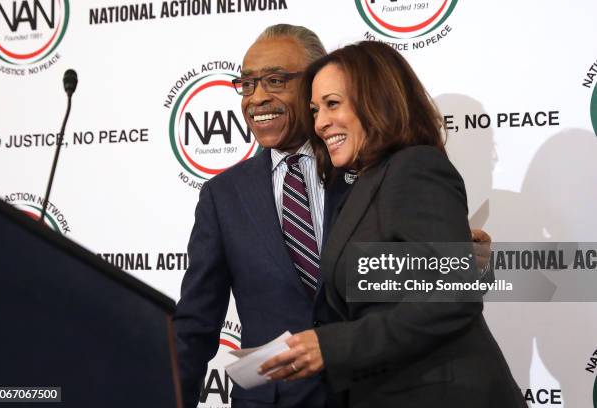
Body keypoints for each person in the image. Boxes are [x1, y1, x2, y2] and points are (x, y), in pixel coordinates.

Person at [174, 25, 492, 408]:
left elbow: (442, 289)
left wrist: (464, 262)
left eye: (275, 80)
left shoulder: (375, 168)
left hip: (374, 391)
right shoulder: (222, 196)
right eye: (247, 84)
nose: (257, 98)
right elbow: (195, 324)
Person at [260, 41, 526, 407]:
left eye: (333, 104)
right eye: (315, 109)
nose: (320, 123)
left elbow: (455, 294)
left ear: (376, 101)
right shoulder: (364, 183)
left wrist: (333, 345)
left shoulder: (414, 167)